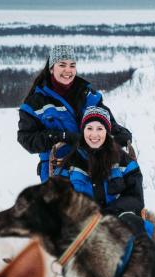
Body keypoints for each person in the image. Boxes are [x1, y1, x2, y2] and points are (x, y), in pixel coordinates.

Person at [18, 45, 132, 182]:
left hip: (94, 165)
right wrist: (61, 136)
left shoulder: (88, 95)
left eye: (72, 65)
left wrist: (120, 132)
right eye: (62, 65)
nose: (68, 70)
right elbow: (27, 138)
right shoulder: (35, 103)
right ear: (51, 68)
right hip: (59, 169)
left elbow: (106, 122)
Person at [55, 106, 149, 237]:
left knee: (134, 224)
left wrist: (108, 213)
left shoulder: (123, 160)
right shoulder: (70, 162)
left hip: (117, 219)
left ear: (107, 131)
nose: (94, 134)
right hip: (83, 224)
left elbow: (135, 198)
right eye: (89, 128)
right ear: (83, 131)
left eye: (100, 128)